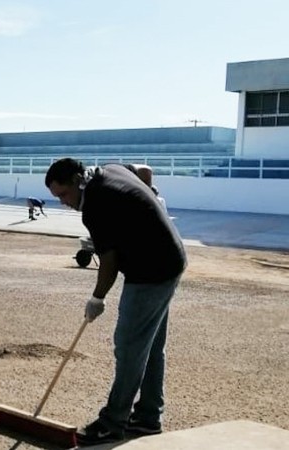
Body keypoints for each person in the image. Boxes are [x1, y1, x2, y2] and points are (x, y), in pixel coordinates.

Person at [44, 157, 186, 445]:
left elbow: (108, 262)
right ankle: (147, 417)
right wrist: (149, 203)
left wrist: (97, 299)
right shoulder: (112, 169)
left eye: (64, 195)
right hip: (171, 258)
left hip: (151, 271)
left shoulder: (96, 207)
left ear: (77, 180)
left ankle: (112, 423)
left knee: (130, 346)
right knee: (151, 345)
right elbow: (145, 171)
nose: (63, 202)